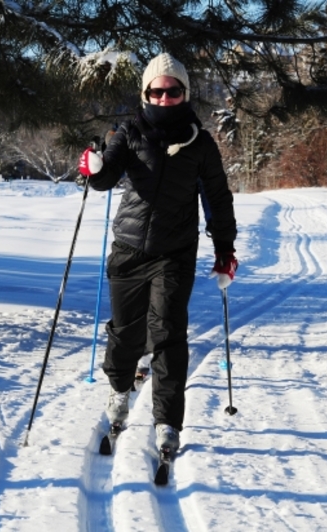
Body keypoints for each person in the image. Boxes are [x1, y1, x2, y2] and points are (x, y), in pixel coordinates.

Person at [78, 52, 238, 455]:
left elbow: (217, 198)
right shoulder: (129, 133)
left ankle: (167, 420)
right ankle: (119, 391)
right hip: (129, 249)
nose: (164, 98)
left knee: (168, 334)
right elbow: (106, 178)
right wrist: (94, 169)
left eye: (173, 91)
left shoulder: (199, 142)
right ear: (145, 93)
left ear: (184, 94)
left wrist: (224, 250)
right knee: (125, 334)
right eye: (157, 91)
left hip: (175, 253)